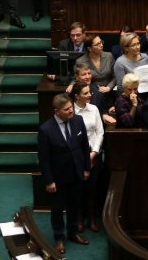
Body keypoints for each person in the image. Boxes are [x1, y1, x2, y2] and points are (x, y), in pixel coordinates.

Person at [37, 94, 90, 253]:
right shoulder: (45, 129)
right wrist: (48, 181)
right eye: (67, 109)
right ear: (57, 111)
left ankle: (73, 233)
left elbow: (84, 147)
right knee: (57, 210)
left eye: (71, 107)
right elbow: (43, 158)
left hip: (76, 174)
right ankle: (59, 238)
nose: (71, 111)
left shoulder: (78, 121)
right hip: (58, 178)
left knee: (75, 206)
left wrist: (86, 168)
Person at [70, 81, 104, 233]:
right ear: (77, 96)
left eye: (89, 92)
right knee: (78, 189)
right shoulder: (71, 111)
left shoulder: (94, 109)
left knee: (93, 188)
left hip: (93, 154)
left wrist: (94, 152)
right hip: (76, 156)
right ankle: (78, 218)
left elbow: (99, 132)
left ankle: (91, 218)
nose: (90, 95)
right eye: (85, 93)